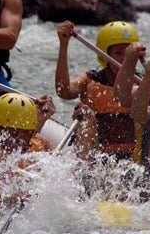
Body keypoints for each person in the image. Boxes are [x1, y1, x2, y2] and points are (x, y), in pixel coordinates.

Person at [54, 20, 141, 161]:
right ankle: (83, 174)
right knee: (85, 113)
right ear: (104, 54)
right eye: (118, 53)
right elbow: (63, 91)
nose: (123, 59)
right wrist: (64, 45)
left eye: (128, 53)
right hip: (94, 159)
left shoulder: (142, 85)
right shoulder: (90, 80)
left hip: (130, 163)